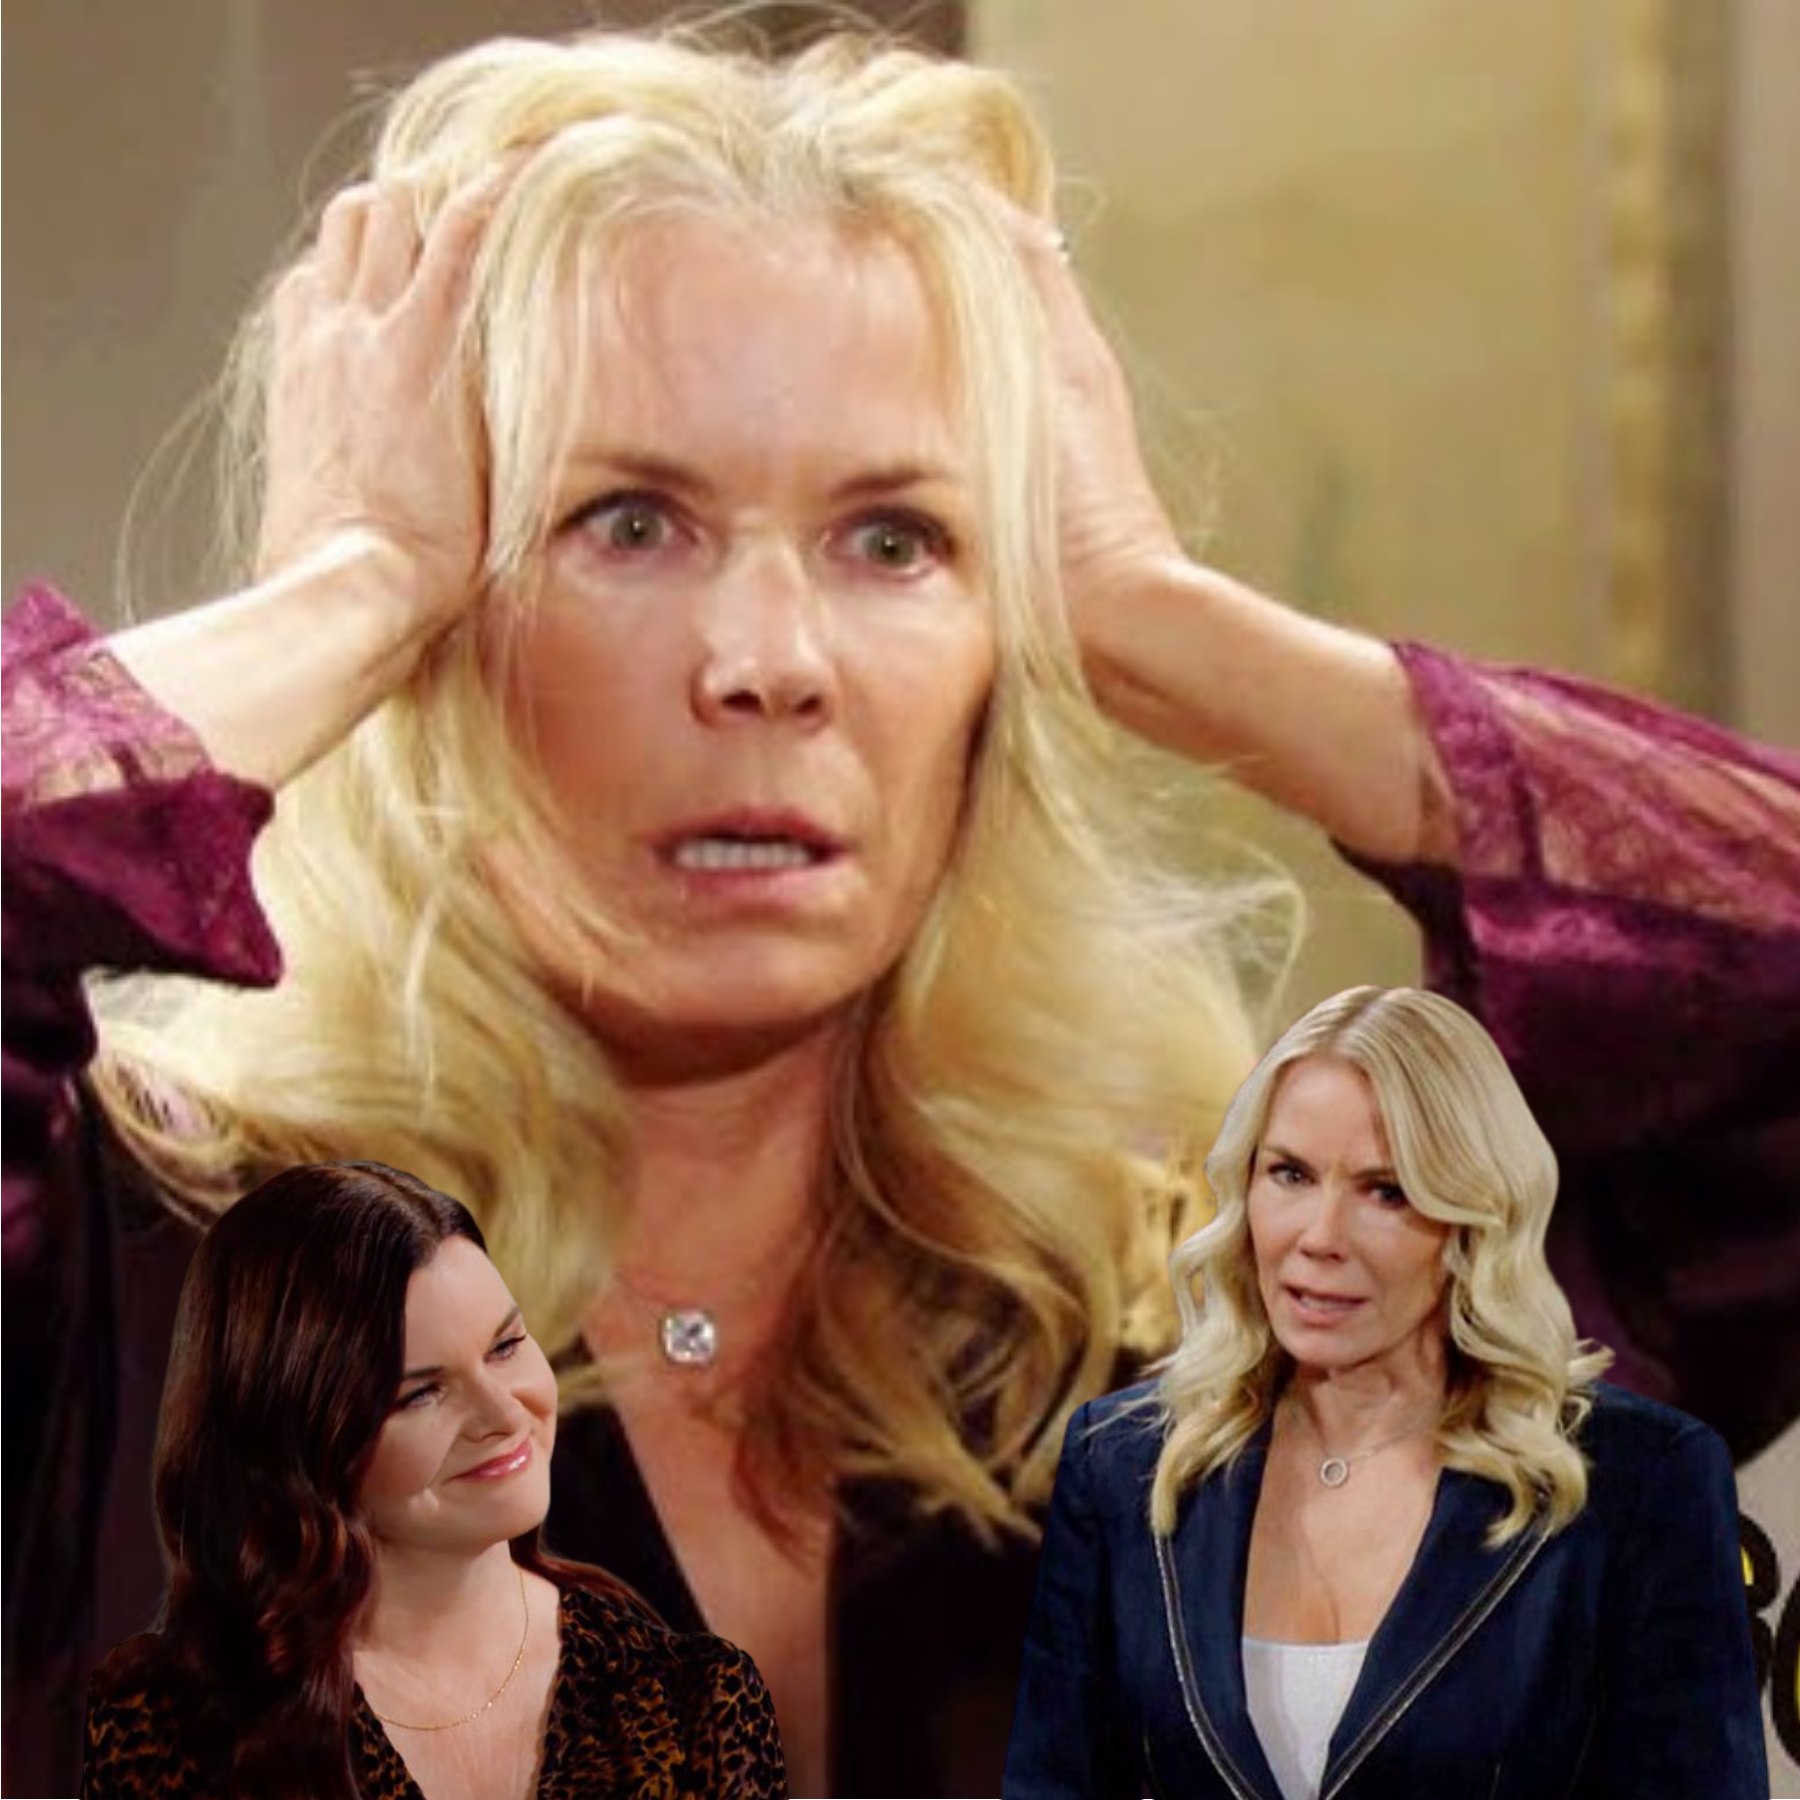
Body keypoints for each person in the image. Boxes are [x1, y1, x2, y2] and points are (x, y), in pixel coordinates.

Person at [4, 21, 1797, 1798]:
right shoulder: (126, 1295)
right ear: (441, 632)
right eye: (626, 523)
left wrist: (1151, 610)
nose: (770, 662)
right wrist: (352, 583)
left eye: (895, 542)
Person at [1003, 985, 1770, 1799]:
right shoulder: (1121, 1465)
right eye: (1290, 1174)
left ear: (1471, 1218)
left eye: (1386, 1191)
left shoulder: (1640, 1481)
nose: (1320, 1238)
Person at [79, 1159, 785, 1800]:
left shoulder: (698, 1706)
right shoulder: (171, 1728)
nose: (503, 1413)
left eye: (505, 1347)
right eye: (422, 1393)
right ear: (299, 1442)